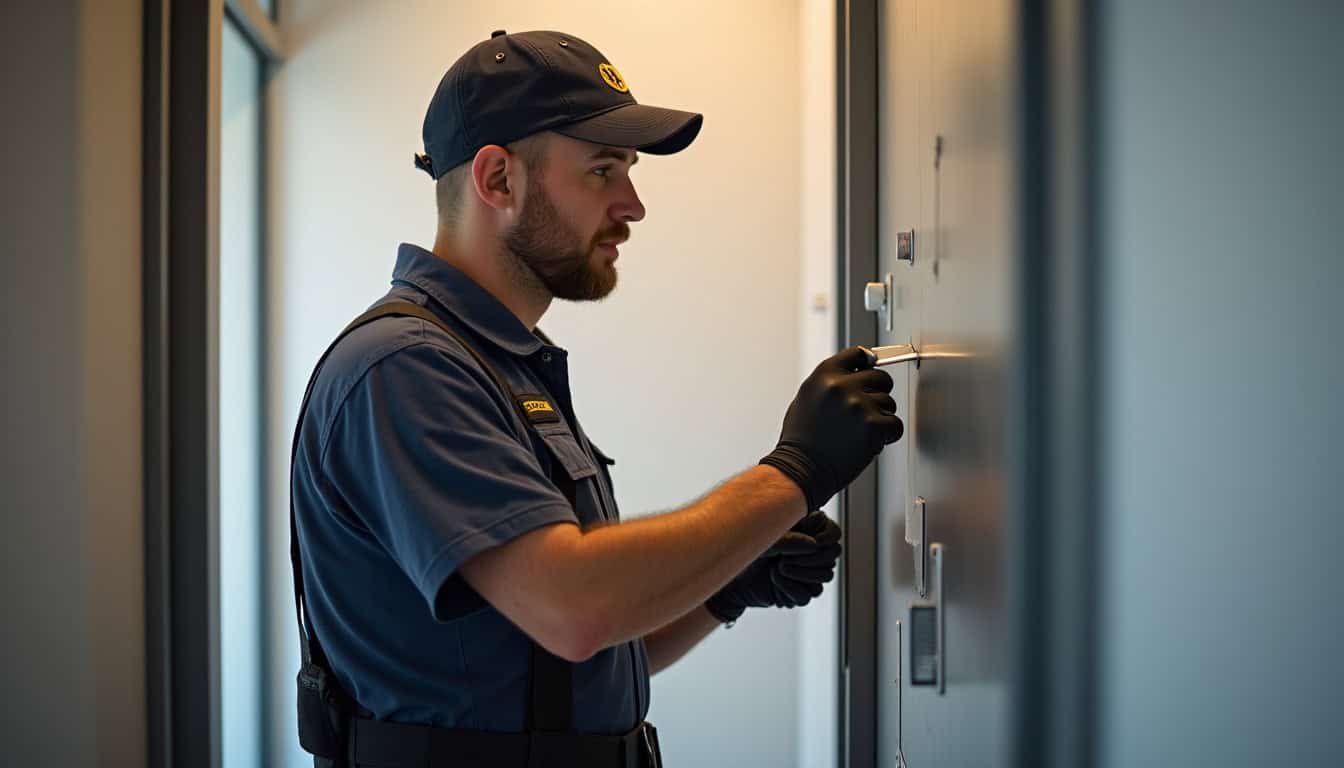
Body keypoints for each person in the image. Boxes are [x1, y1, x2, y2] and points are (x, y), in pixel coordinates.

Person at [290, 29, 903, 768]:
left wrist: (726, 588)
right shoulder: (405, 369)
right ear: (498, 180)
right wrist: (793, 472)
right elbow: (574, 607)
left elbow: (573, 652)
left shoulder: (498, 366)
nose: (634, 204)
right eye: (603, 170)